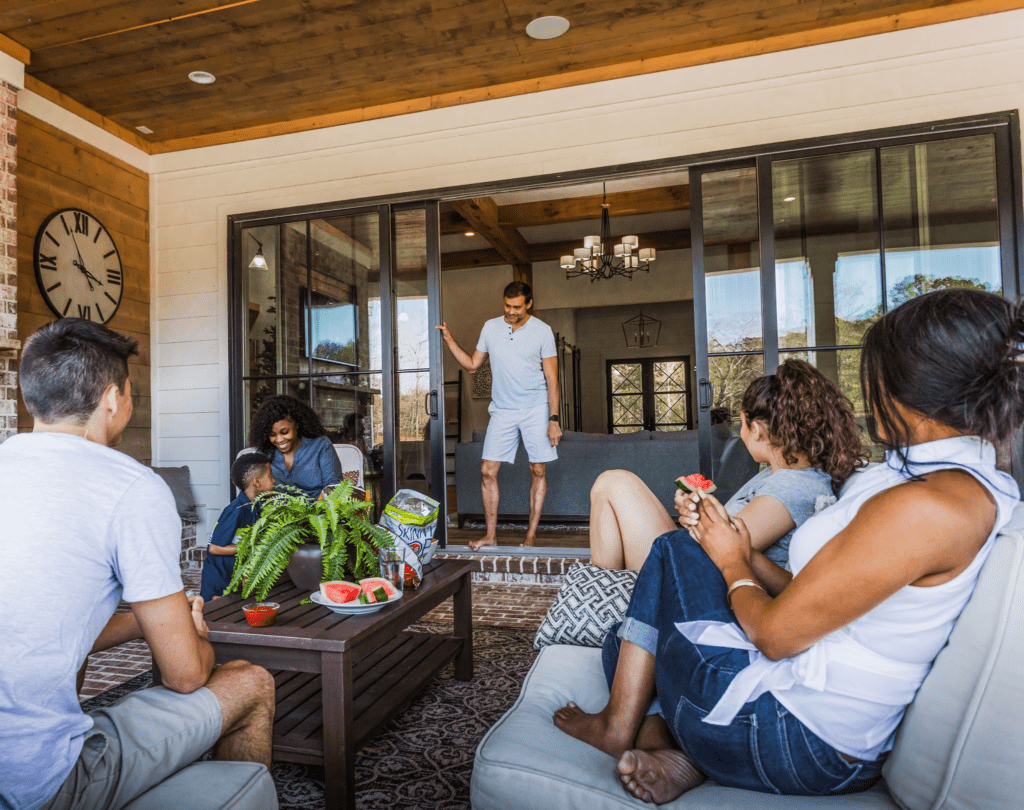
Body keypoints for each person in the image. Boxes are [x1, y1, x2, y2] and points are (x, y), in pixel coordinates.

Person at [554, 289, 1024, 804]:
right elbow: (811, 593)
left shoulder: (931, 505)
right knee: (625, 639)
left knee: (670, 555)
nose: (868, 395)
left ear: (905, 385)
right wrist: (745, 552)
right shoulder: (938, 481)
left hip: (795, 742)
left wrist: (733, 562)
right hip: (792, 725)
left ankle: (621, 727)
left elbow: (777, 636)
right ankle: (670, 747)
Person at [0, 318, 276, 810]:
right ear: (112, 399)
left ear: (30, 398)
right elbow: (185, 677)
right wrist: (196, 638)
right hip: (33, 784)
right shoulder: (131, 487)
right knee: (250, 682)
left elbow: (39, 624)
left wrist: (141, 627)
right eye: (131, 393)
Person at [589, 359, 864, 572]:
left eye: (742, 425)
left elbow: (722, 553)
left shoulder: (791, 486)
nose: (741, 434)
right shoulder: (781, 473)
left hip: (691, 576)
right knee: (610, 486)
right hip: (691, 558)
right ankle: (604, 598)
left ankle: (602, 604)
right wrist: (695, 510)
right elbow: (729, 532)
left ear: (756, 429)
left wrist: (696, 519)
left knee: (614, 482)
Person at [437, 281, 562, 549]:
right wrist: (449, 338)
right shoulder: (491, 327)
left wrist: (554, 420)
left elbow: (552, 379)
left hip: (536, 408)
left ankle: (530, 535)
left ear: (528, 304)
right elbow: (472, 365)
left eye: (517, 307)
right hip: (503, 410)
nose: (511, 311)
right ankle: (490, 536)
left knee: (537, 469)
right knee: (487, 471)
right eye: (507, 305)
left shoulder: (543, 331)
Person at [200, 452, 275, 601]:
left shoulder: (256, 507)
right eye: (270, 475)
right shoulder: (236, 510)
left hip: (235, 581)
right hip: (218, 583)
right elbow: (213, 548)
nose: (274, 479)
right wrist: (250, 548)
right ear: (257, 482)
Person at [249, 394, 342, 499]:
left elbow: (334, 491)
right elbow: (256, 494)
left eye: (284, 432)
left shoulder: (321, 446)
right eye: (272, 435)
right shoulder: (263, 454)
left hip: (321, 513)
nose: (279, 440)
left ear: (297, 424)